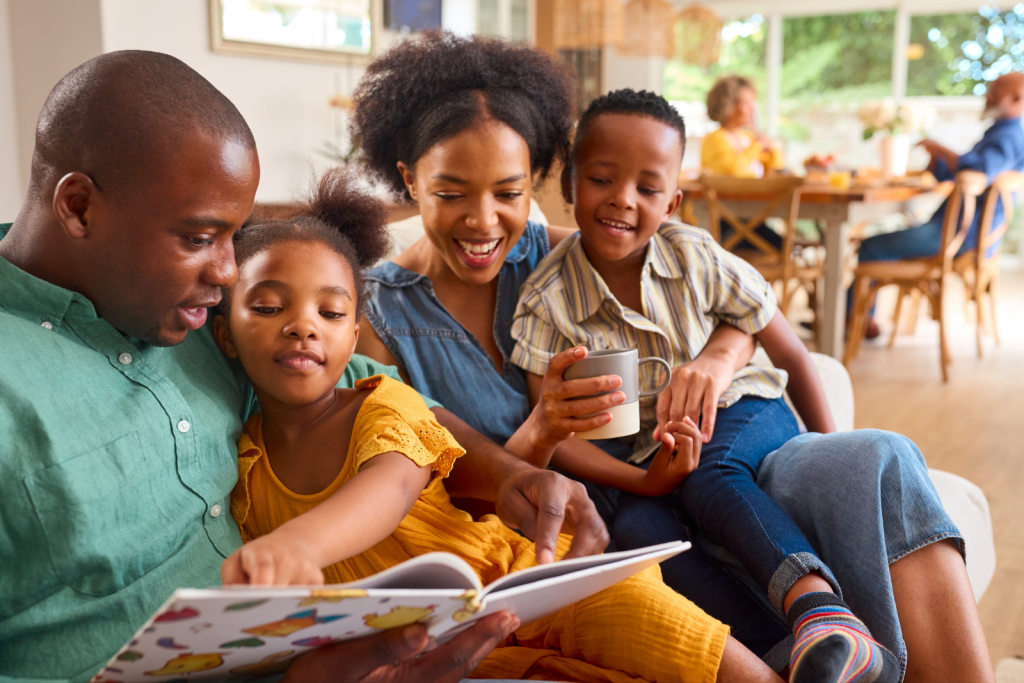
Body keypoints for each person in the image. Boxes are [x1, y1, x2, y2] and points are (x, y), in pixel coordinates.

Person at [353, 33, 995, 683]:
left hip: (718, 440)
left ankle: (836, 628)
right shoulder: (377, 314)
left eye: (509, 192)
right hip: (605, 505)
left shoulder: (568, 248)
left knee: (879, 456)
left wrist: (715, 364)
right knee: (647, 536)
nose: (484, 220)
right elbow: (434, 486)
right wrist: (546, 432)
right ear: (410, 179)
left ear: (540, 188)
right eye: (452, 191)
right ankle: (813, 656)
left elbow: (730, 313)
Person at [0, 50, 609, 683]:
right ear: (77, 207)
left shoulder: (206, 312)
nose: (228, 274)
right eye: (198, 239)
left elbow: (377, 397)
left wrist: (507, 473)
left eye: (232, 239)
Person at [214, 169, 778, 683]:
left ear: (355, 335)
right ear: (223, 337)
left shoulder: (383, 401)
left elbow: (390, 484)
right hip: (433, 651)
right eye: (267, 308)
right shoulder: (244, 470)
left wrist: (297, 544)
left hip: (533, 583)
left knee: (683, 644)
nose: (302, 328)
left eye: (330, 314)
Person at [510, 88, 899, 683]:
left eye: (647, 187)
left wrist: (831, 446)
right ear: (569, 187)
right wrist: (645, 481)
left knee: (712, 473)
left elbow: (787, 348)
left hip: (743, 407)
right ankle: (792, 657)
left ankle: (823, 612)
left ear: (673, 200)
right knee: (640, 538)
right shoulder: (545, 298)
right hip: (646, 456)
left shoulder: (694, 255)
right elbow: (554, 433)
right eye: (602, 179)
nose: (622, 200)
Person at [855, 71, 1024, 334]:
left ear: (1017, 98)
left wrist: (942, 150)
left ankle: (852, 322)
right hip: (961, 231)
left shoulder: (1008, 137)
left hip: (957, 234)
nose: (988, 95)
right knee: (881, 241)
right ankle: (853, 317)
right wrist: (940, 161)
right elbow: (962, 172)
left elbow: (979, 173)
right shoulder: (1000, 133)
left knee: (870, 246)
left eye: (996, 90)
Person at [700, 75, 787, 252]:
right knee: (784, 247)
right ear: (729, 106)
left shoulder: (748, 138)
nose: (752, 109)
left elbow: (777, 170)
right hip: (726, 226)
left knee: (789, 246)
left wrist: (773, 148)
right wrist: (757, 147)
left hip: (754, 218)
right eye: (746, 103)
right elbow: (733, 172)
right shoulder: (715, 139)